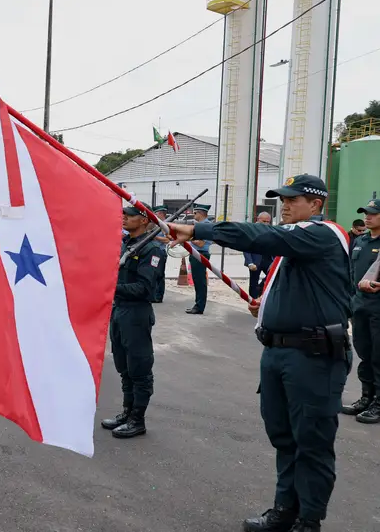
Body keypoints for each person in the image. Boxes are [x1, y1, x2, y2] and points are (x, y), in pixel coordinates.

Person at [168, 174, 352, 532]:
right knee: (283, 437)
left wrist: (198, 230)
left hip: (312, 357)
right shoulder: (295, 247)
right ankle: (285, 509)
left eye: (293, 199)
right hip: (280, 353)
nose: (284, 204)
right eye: (282, 198)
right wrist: (266, 306)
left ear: (316, 204)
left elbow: (262, 236)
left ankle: (308, 520)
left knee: (311, 442)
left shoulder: (321, 233)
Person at [101, 202, 159, 439]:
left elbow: (145, 289)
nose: (124, 217)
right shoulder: (126, 243)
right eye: (124, 214)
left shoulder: (152, 249)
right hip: (119, 311)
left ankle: (138, 419)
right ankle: (127, 412)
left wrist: (111, 287)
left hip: (136, 314)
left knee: (139, 368)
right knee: (123, 366)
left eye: (130, 215)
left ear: (144, 219)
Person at [342, 198, 380, 423]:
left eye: (373, 213)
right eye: (366, 213)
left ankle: (379, 403)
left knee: (378, 356)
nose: (368, 216)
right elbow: (349, 273)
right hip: (360, 307)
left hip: (378, 308)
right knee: (364, 353)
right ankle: (367, 397)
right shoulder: (360, 241)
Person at [186, 203, 212, 315]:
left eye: (195, 213)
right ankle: (197, 305)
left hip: (200, 254)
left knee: (200, 281)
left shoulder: (206, 226)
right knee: (197, 281)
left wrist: (188, 238)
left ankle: (199, 306)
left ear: (201, 213)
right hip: (196, 254)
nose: (193, 215)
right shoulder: (201, 225)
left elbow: (201, 243)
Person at [243, 211, 275, 300]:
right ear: (258, 220)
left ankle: (260, 290)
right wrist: (249, 262)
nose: (266, 223)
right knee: (253, 283)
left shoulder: (271, 230)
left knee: (272, 277)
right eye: (263, 221)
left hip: (268, 260)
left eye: (268, 221)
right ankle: (253, 301)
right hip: (255, 262)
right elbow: (246, 248)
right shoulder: (251, 230)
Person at [151, 205, 169, 303]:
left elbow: (167, 240)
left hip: (160, 252)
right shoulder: (156, 224)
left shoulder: (165, 225)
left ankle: (159, 296)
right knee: (154, 273)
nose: (154, 215)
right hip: (154, 252)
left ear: (161, 214)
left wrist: (155, 238)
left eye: (156, 213)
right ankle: (154, 294)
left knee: (160, 274)